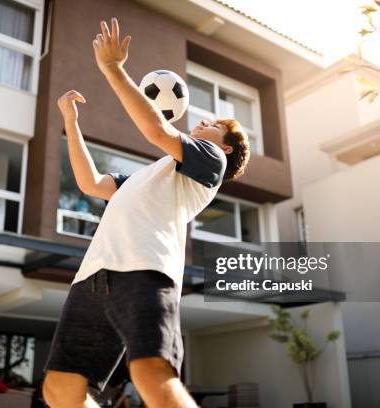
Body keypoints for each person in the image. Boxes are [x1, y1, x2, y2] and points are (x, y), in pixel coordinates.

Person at [42, 17, 250, 408]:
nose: (202, 122)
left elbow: (156, 131)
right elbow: (90, 184)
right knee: (60, 391)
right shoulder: (147, 176)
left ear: (223, 148)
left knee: (151, 375)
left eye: (213, 125)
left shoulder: (209, 162)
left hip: (144, 268)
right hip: (92, 278)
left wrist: (114, 68)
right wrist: (71, 124)